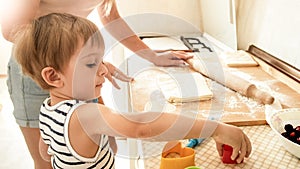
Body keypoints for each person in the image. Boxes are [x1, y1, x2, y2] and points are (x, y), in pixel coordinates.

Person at [13, 12, 251, 169]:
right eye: (90, 63)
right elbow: (140, 126)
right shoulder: (82, 116)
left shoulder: (48, 109)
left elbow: (46, 152)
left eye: (101, 60)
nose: (104, 70)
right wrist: (215, 128)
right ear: (53, 76)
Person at [0, 0, 193, 168]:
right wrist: (82, 63)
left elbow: (110, 15)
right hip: (37, 67)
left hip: (75, 66)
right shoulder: (54, 87)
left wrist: (150, 55)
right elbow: (12, 28)